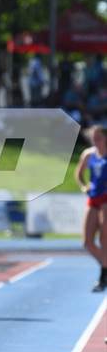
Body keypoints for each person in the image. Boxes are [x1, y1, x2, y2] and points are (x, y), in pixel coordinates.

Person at [75, 125, 107, 292]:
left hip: (106, 199)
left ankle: (102, 277)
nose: (96, 140)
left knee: (104, 240)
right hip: (93, 197)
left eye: (99, 137)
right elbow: (78, 173)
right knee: (87, 242)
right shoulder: (88, 154)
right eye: (94, 137)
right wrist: (83, 186)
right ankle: (105, 268)